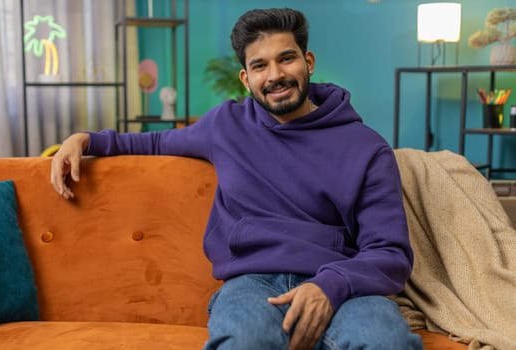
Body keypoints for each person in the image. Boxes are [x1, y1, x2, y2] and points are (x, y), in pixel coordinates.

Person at [51, 7, 423, 350]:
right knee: (245, 342)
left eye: (286, 58)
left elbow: (390, 253)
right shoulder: (225, 125)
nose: (275, 75)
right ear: (246, 78)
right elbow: (153, 140)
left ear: (308, 62)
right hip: (252, 282)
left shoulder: (366, 148)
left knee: (386, 340)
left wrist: (331, 285)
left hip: (341, 284)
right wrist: (87, 139)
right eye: (260, 65)